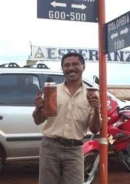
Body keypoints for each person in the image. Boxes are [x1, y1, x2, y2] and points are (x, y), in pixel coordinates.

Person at [33, 52, 101, 184]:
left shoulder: (91, 94)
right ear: (62, 69)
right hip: (49, 148)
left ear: (83, 67)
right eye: (66, 65)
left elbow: (94, 129)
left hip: (74, 150)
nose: (71, 68)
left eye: (75, 64)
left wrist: (97, 109)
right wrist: (38, 108)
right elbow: (38, 120)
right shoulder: (51, 91)